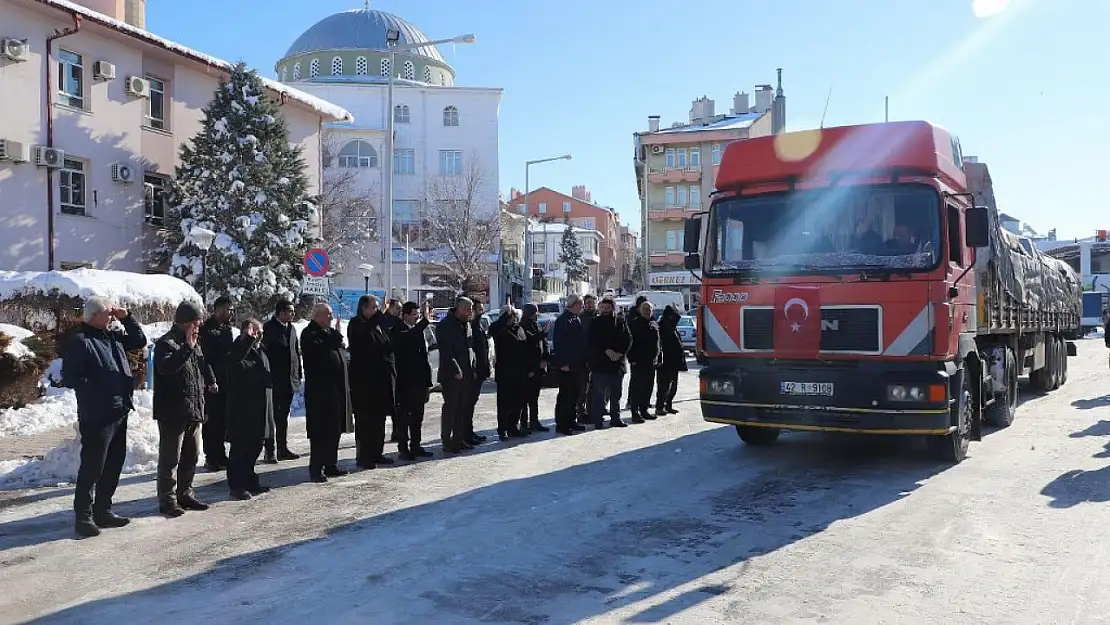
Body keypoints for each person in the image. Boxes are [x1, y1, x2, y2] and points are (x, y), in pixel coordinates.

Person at [63, 296, 147, 537]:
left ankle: (103, 510)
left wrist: (127, 317)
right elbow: (70, 377)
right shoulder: (81, 340)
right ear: (93, 316)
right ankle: (83, 516)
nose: (112, 317)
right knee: (93, 466)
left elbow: (139, 340)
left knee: (114, 464)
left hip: (119, 410)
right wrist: (96, 387)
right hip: (98, 414)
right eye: (107, 314)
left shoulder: (112, 336)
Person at [153, 301, 217, 517]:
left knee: (191, 455)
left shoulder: (194, 342)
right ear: (187, 323)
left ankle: (185, 493)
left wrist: (210, 380)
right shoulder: (166, 343)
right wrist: (187, 348)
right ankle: (168, 500)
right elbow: (166, 368)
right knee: (171, 458)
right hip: (173, 411)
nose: (199, 327)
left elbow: (201, 364)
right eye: (197, 323)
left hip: (193, 409)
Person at [300, 303, 355, 482]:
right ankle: (316, 468)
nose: (331, 318)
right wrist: (337, 335)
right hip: (320, 393)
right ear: (318, 316)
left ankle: (331, 464)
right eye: (328, 314)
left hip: (335, 390)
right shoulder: (310, 334)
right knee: (320, 432)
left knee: (334, 429)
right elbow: (320, 351)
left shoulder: (329, 333)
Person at [224, 318, 275, 501]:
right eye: (256, 331)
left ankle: (250, 479)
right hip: (242, 407)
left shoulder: (259, 349)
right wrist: (247, 339)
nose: (259, 335)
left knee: (255, 445)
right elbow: (235, 364)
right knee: (240, 448)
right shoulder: (238, 347)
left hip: (259, 405)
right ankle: (236, 485)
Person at [346, 294, 396, 469]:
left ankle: (377, 452)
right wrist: (379, 317)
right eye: (373, 308)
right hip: (364, 382)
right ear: (363, 308)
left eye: (377, 308)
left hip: (380, 381)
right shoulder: (356, 324)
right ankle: (364, 456)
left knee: (379, 419)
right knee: (365, 421)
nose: (376, 311)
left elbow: (386, 345)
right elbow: (365, 344)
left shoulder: (377, 326)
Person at [391, 301, 434, 460]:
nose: (417, 317)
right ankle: (403, 448)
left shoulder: (419, 330)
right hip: (405, 382)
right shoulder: (398, 329)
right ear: (406, 315)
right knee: (404, 417)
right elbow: (408, 338)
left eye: (418, 314)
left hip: (420, 381)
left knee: (418, 416)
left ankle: (416, 445)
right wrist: (423, 322)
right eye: (414, 315)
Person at [261, 300, 302, 464]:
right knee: (271, 418)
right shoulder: (269, 328)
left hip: (289, 381)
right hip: (274, 381)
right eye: (289, 311)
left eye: (293, 311)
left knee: (283, 417)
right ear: (280, 312)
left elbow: (295, 354)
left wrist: (298, 374)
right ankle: (269, 450)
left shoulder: (292, 329)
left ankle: (282, 448)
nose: (292, 314)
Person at [199, 296, 235, 472]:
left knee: (222, 420)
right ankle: (211, 457)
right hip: (211, 384)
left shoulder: (227, 329)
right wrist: (211, 380)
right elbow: (205, 359)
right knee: (211, 421)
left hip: (226, 381)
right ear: (219, 309)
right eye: (229, 309)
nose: (231, 313)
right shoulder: (207, 330)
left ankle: (220, 454)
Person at [437, 297, 475, 453]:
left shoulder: (466, 324)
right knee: (451, 409)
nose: (470, 313)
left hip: (466, 373)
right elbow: (446, 351)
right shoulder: (445, 326)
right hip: (451, 375)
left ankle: (458, 440)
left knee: (461, 408)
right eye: (468, 309)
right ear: (460, 309)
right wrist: (456, 369)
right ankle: (447, 441)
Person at [588, 297, 631, 429]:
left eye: (608, 308)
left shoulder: (620, 321)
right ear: (600, 308)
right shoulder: (595, 322)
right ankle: (598, 420)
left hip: (617, 364)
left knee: (616, 394)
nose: (605, 310)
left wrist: (619, 353)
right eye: (603, 308)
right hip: (600, 364)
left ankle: (615, 418)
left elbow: (628, 339)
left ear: (613, 308)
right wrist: (606, 351)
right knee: (599, 395)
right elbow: (592, 341)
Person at [490, 305, 527, 440]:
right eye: (511, 315)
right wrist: (506, 315)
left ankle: (513, 427)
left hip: (519, 372)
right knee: (504, 404)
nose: (514, 318)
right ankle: (503, 429)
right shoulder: (499, 328)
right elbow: (495, 330)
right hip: (505, 372)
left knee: (518, 402)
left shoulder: (519, 328)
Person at [551, 295, 587, 435]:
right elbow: (559, 343)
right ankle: (562, 424)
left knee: (574, 394)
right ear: (575, 305)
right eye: (581, 305)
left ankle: (571, 421)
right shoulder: (563, 320)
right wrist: (562, 363)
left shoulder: (575, 318)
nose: (582, 307)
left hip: (576, 364)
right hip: (566, 365)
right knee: (565, 395)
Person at [627, 300, 661, 424]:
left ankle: (644, 410)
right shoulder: (634, 324)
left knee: (648, 387)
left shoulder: (654, 323)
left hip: (651, 362)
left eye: (649, 309)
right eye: (645, 309)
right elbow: (629, 343)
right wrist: (632, 359)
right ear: (640, 310)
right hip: (638, 362)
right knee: (637, 388)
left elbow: (658, 342)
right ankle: (635, 413)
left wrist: (659, 357)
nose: (647, 311)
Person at [518, 303, 550, 435]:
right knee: (525, 398)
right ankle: (524, 424)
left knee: (534, 397)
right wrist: (543, 333)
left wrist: (545, 358)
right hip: (528, 368)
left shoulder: (535, 324)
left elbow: (544, 343)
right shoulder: (522, 326)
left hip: (539, 367)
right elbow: (529, 341)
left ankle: (534, 421)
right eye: (535, 312)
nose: (536, 315)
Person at [464, 300, 491, 445]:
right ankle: (466, 433)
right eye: (479, 309)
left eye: (482, 309)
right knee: (468, 404)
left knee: (472, 403)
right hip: (473, 371)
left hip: (480, 370)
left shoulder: (478, 325)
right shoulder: (471, 327)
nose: (482, 312)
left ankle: (469, 431)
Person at [655, 305, 688, 417]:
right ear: (670, 316)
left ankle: (667, 405)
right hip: (665, 361)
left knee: (672, 386)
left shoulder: (671, 325)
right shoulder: (662, 326)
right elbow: (659, 345)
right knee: (663, 386)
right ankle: (659, 407)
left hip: (673, 361)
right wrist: (659, 359)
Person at [576, 294, 598, 424]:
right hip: (583, 358)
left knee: (595, 387)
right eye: (588, 303)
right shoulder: (579, 318)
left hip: (597, 358)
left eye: (592, 303)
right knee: (582, 387)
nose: (590, 305)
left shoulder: (599, 317)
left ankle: (593, 411)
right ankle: (580, 412)